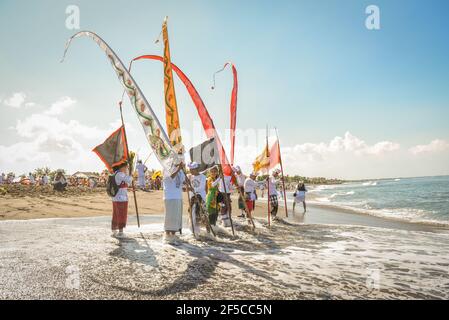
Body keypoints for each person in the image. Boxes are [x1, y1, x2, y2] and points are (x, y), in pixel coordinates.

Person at [162, 161, 185, 241]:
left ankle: (173, 235)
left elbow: (183, 181)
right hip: (170, 197)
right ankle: (167, 235)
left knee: (176, 218)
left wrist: (182, 170)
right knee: (169, 217)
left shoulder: (180, 170)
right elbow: (171, 177)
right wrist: (178, 169)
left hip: (178, 197)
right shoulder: (166, 169)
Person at [110, 162, 132, 238]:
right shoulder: (120, 174)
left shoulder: (116, 173)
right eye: (126, 167)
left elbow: (127, 183)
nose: (127, 168)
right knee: (121, 214)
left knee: (116, 214)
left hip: (116, 197)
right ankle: (120, 232)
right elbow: (129, 180)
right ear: (122, 167)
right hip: (121, 198)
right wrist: (129, 173)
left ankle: (114, 229)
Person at [187, 162, 207, 236]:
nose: (191, 171)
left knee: (200, 214)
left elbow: (201, 188)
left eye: (192, 169)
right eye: (190, 169)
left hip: (200, 197)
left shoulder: (203, 177)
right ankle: (192, 230)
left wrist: (191, 188)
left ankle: (202, 230)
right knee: (191, 213)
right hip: (192, 197)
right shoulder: (190, 176)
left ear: (196, 169)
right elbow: (184, 183)